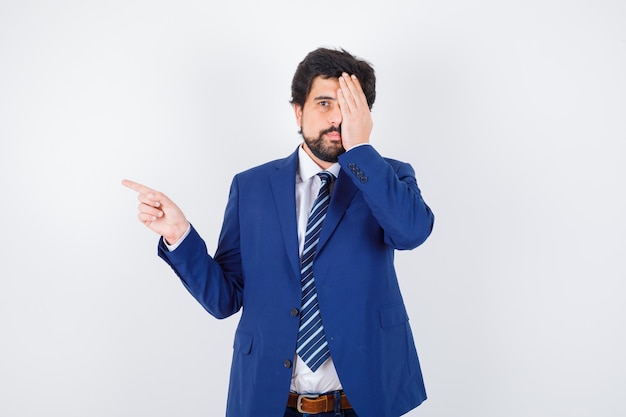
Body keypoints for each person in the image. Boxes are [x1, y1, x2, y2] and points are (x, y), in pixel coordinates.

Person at [122, 47, 434, 417]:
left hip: (364, 402)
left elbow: (412, 232)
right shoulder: (251, 187)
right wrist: (180, 236)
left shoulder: (387, 177)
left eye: (350, 107)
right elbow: (225, 300)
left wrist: (362, 149)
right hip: (270, 402)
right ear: (298, 111)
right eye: (323, 103)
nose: (337, 118)